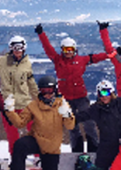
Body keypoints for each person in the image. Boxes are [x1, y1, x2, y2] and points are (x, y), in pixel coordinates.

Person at [35, 24, 114, 152]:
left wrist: (111, 54)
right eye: (66, 50)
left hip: (81, 97)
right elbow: (48, 48)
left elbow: (95, 57)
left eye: (71, 49)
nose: (69, 52)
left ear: (75, 50)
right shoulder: (58, 60)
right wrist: (41, 34)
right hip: (65, 99)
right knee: (72, 125)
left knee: (89, 122)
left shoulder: (81, 60)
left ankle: (93, 147)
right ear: (62, 51)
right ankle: (76, 148)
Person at [5, 76, 75, 170]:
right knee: (20, 145)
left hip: (51, 147)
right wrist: (10, 111)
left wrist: (67, 115)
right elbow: (20, 123)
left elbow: (70, 126)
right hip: (36, 140)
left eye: (50, 90)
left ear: (55, 90)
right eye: (44, 91)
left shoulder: (62, 105)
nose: (47, 94)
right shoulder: (34, 105)